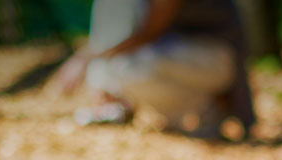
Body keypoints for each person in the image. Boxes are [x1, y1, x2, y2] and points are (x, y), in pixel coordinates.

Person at [51, 0, 257, 139]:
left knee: (132, 66)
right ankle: (114, 103)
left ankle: (207, 107)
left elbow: (148, 34)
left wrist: (85, 57)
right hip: (184, 54)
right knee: (121, 64)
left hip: (216, 58)